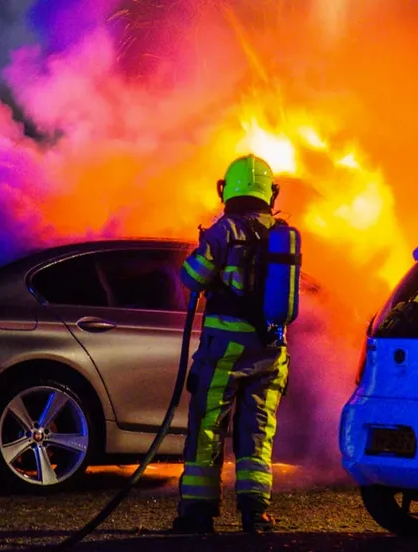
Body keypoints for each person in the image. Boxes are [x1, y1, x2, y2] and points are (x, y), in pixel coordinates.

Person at [172, 154, 293, 534]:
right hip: (271, 350)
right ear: (269, 193)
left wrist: (202, 251)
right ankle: (255, 513)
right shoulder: (281, 233)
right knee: (257, 428)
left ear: (228, 189)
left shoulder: (224, 231)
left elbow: (192, 278)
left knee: (209, 425)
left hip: (226, 349)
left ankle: (198, 513)